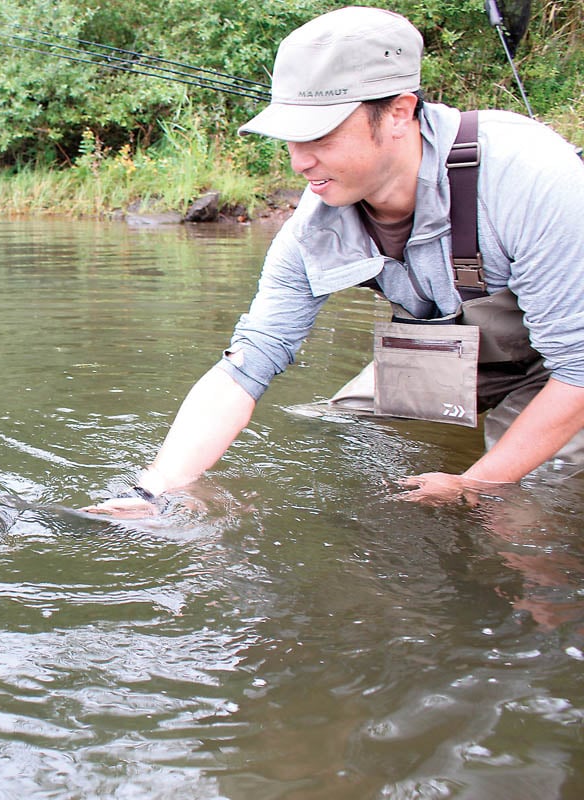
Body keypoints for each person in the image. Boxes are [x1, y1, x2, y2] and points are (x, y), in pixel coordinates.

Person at [86, 5, 584, 515]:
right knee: (339, 432)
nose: (299, 162)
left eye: (321, 136)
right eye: (292, 139)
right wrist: (154, 492)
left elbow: (579, 371)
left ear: (398, 112)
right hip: (460, 351)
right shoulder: (316, 218)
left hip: (566, 368)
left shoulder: (530, 177)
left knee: (527, 504)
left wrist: (472, 483)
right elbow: (250, 359)